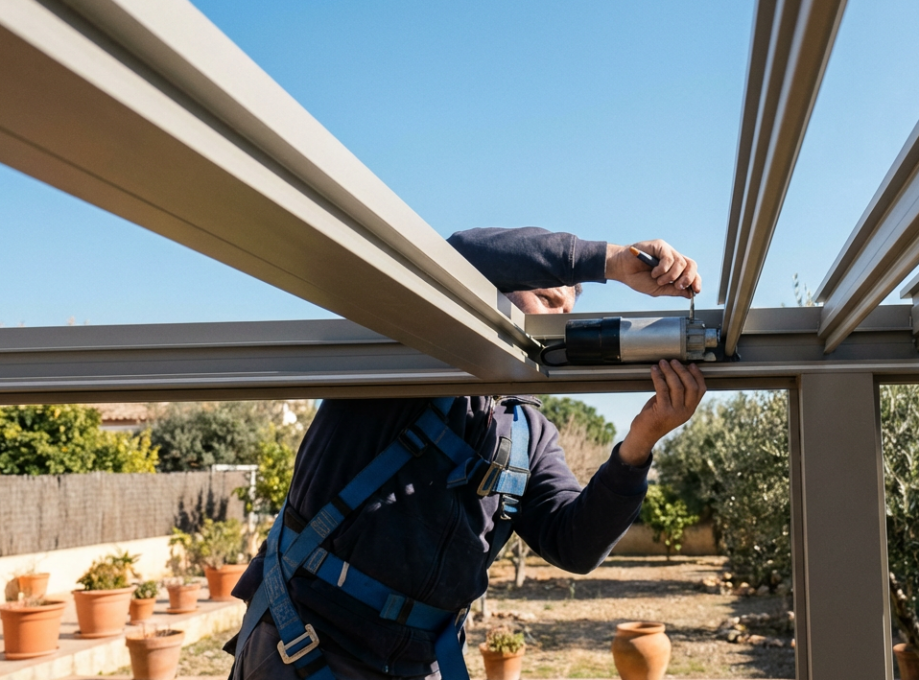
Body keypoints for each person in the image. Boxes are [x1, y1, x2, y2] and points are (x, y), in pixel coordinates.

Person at [227, 227, 707, 680]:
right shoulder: (407, 352)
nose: (556, 323)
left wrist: (639, 445)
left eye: (566, 311)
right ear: (492, 289)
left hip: (421, 663)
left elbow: (574, 545)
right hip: (307, 645)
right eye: (545, 297)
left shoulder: (529, 433)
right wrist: (611, 261)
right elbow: (455, 255)